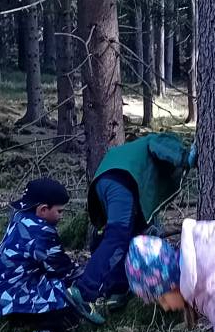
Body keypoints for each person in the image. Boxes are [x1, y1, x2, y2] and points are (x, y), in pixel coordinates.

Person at [68, 131, 196, 321]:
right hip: (121, 180)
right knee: (117, 237)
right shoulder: (164, 141)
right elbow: (158, 145)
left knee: (127, 238)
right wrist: (186, 157)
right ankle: (83, 291)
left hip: (108, 180)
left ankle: (116, 291)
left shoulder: (138, 157)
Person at [0, 178, 92, 332]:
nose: (61, 216)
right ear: (43, 209)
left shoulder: (20, 217)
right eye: (59, 211)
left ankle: (23, 319)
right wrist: (87, 272)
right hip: (14, 295)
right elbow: (60, 268)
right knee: (70, 293)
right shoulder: (42, 232)